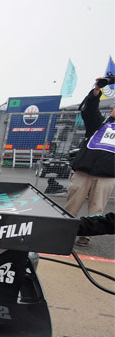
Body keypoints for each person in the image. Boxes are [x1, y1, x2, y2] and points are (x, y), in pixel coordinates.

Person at [64, 77, 115, 247]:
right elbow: (89, 111)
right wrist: (96, 91)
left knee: (97, 208)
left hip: (107, 176)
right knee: (72, 203)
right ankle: (61, 231)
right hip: (84, 172)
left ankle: (86, 236)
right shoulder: (100, 124)